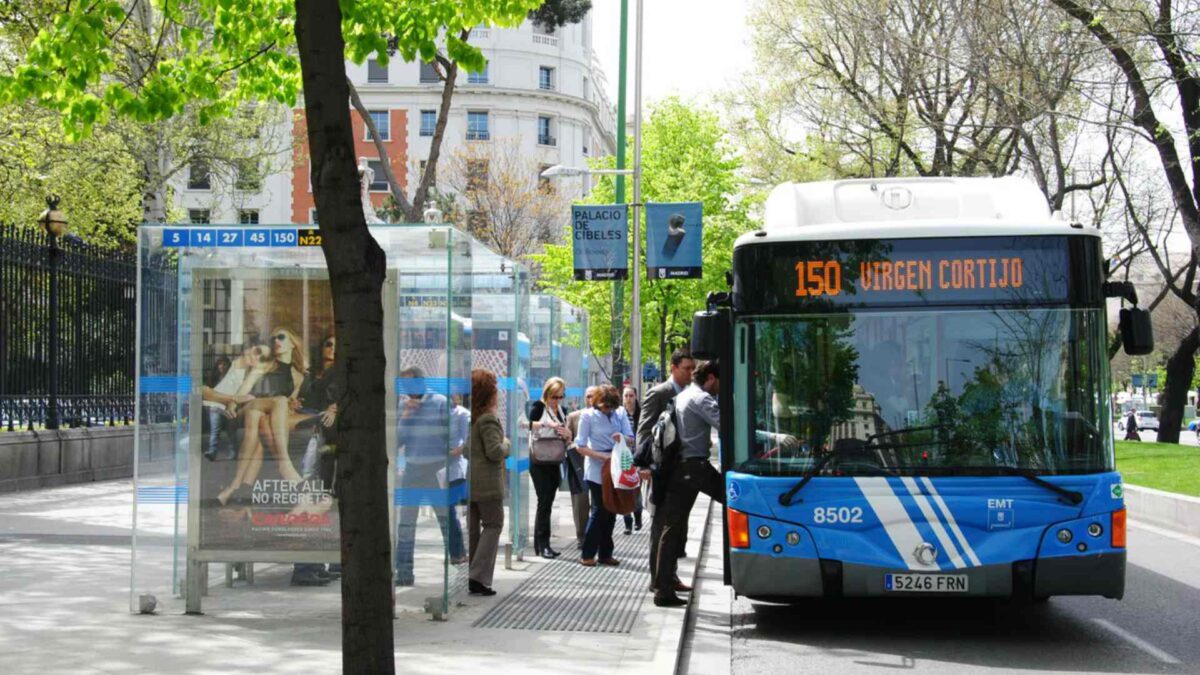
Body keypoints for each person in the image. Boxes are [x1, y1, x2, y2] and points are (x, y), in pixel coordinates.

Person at [652, 359, 728, 608]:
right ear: (712, 378)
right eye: (720, 382)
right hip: (694, 468)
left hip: (680, 467)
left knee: (671, 527)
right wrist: (773, 436)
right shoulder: (702, 398)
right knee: (737, 499)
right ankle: (663, 590)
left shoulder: (684, 395)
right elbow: (730, 427)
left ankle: (663, 588)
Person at [215, 328, 308, 505]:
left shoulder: (298, 377)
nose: (276, 341)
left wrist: (292, 404)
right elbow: (245, 387)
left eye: (281, 337)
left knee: (259, 433)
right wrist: (233, 405)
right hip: (247, 405)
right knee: (278, 401)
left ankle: (235, 488)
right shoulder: (265, 364)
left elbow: (290, 402)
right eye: (273, 339)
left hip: (262, 415)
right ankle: (284, 462)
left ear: (292, 344)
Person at [395, 366, 467, 586]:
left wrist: (450, 462)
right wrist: (406, 416)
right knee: (406, 524)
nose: (407, 388)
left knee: (446, 518)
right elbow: (398, 441)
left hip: (436, 468)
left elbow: (452, 438)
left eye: (409, 383)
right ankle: (405, 572)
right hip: (412, 469)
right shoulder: (403, 405)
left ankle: (458, 565)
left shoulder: (439, 402)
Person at [640, 349, 695, 585]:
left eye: (693, 369)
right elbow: (644, 431)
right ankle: (658, 578)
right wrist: (645, 466)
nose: (691, 374)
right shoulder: (659, 393)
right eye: (686, 369)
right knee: (661, 525)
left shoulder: (689, 394)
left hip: (681, 469)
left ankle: (669, 575)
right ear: (673, 368)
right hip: (662, 470)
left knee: (676, 526)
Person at [291, 331, 341, 587]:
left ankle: (317, 563)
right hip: (312, 438)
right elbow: (302, 405)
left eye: (336, 344)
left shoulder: (340, 375)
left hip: (330, 443)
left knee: (323, 499)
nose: (332, 348)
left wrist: (335, 408)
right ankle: (307, 564)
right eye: (328, 343)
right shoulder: (312, 376)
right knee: (311, 493)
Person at [574, 385, 635, 567]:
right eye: (605, 407)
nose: (608, 410)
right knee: (600, 509)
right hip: (597, 467)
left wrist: (622, 438)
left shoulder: (620, 413)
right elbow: (580, 446)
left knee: (612, 510)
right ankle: (588, 552)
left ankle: (605, 553)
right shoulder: (587, 416)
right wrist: (601, 456)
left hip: (616, 466)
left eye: (611, 407)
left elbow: (631, 437)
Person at [468, 368, 508, 596]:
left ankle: (472, 575)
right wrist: (507, 445)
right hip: (488, 484)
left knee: (473, 529)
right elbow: (495, 451)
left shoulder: (471, 417)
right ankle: (479, 576)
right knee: (493, 525)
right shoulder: (488, 420)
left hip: (472, 481)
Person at [528, 377, 572, 559]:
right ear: (547, 394)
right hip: (539, 461)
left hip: (555, 460)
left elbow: (568, 438)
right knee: (544, 501)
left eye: (560, 397)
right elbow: (525, 425)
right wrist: (548, 424)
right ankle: (542, 543)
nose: (557, 401)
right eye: (554, 397)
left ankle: (542, 544)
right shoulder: (538, 407)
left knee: (548, 502)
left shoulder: (563, 411)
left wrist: (567, 434)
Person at [200, 344, 265, 462]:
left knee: (231, 431)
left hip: (230, 406)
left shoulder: (235, 375)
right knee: (215, 430)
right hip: (216, 407)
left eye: (224, 364)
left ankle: (233, 452)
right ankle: (212, 452)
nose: (222, 366)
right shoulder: (214, 378)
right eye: (220, 364)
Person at [565, 386, 598, 547]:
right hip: (579, 465)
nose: (590, 399)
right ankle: (581, 537)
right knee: (580, 502)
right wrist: (577, 447)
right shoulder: (573, 417)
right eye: (588, 396)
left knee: (598, 503)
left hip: (598, 464)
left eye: (593, 396)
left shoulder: (605, 416)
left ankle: (595, 536)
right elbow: (567, 440)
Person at [620, 385, 644, 535]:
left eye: (631, 395)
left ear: (636, 397)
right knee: (624, 489)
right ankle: (627, 522)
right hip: (623, 457)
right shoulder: (619, 414)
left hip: (638, 457)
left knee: (636, 489)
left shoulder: (642, 414)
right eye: (626, 396)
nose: (628, 399)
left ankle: (638, 516)